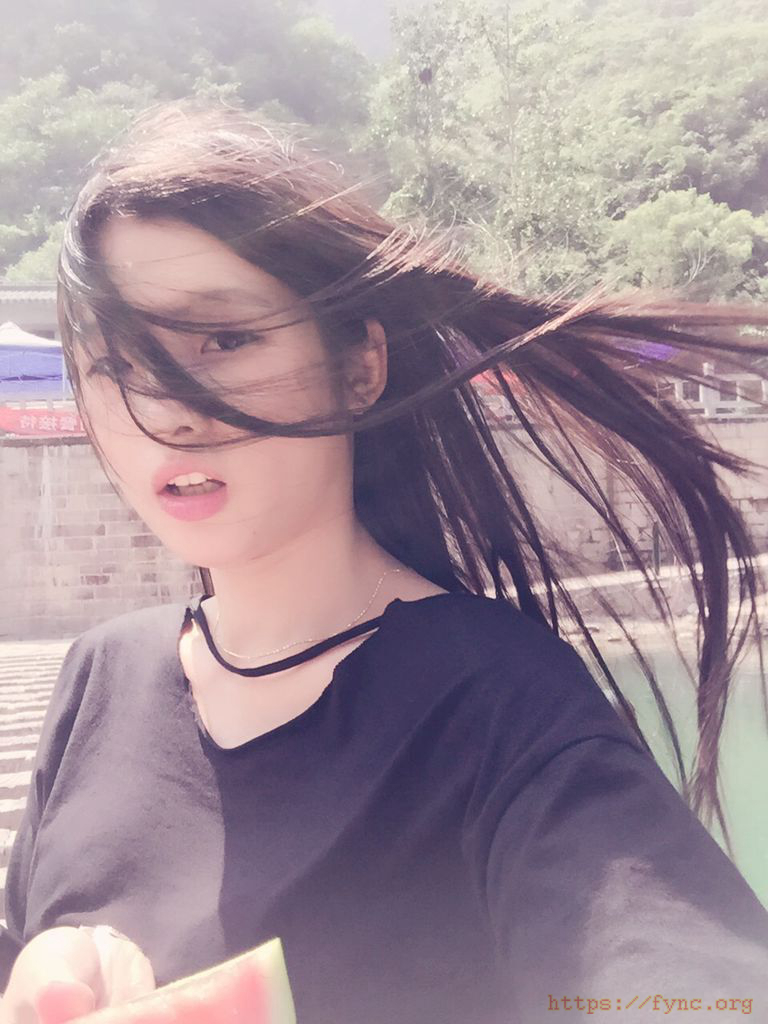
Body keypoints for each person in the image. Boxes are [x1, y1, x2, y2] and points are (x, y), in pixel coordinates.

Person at [1, 98, 767, 1024]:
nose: (164, 413)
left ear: (361, 368)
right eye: (116, 365)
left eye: (224, 340)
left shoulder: (498, 704)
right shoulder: (100, 675)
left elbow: (686, 977)